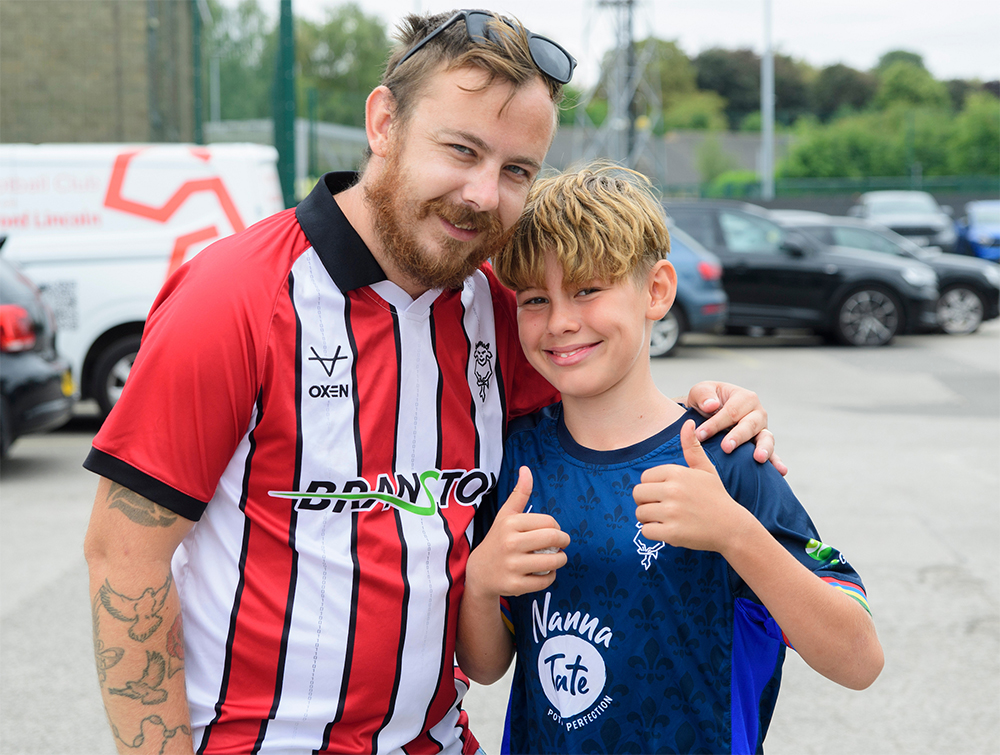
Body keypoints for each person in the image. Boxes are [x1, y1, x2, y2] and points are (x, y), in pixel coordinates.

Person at [82, 11, 779, 755]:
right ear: (384, 122)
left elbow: (608, 404)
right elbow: (125, 556)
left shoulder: (503, 312)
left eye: (517, 170)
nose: (484, 194)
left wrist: (713, 411)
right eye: (461, 149)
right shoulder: (234, 296)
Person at [457, 164, 884, 755]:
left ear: (656, 290)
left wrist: (736, 534)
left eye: (587, 289)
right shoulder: (515, 458)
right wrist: (480, 582)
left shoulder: (724, 455)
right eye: (535, 299)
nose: (560, 321)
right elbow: (485, 667)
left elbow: (858, 660)